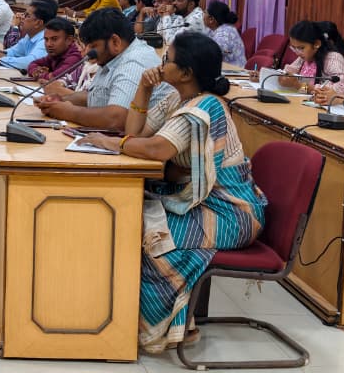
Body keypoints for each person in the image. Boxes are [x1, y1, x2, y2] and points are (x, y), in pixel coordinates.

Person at [77, 32, 266, 353]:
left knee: (146, 234)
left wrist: (109, 143)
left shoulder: (205, 106)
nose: (161, 65)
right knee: (131, 219)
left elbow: (156, 149)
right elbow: (134, 133)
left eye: (168, 60)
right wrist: (143, 87)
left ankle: (160, 325)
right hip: (201, 202)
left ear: (186, 73)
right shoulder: (176, 99)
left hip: (232, 212)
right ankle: (138, 318)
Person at [37, 9, 171, 128]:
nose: (87, 52)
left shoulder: (134, 62)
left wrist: (68, 112)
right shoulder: (112, 56)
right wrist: (60, 101)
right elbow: (97, 96)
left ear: (115, 42)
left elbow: (117, 118)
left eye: (93, 46)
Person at [259, 20, 344, 96]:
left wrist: (297, 85)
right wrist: (267, 77)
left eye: (301, 48)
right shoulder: (304, 57)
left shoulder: (334, 59)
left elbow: (339, 93)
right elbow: (289, 74)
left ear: (316, 44)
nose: (297, 52)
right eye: (294, 48)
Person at [0, 0, 55, 71]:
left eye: (27, 16)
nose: (22, 17)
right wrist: (3, 53)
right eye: (24, 14)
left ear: (38, 23)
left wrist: (2, 59)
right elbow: (15, 51)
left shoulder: (46, 40)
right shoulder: (30, 35)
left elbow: (30, 62)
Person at [27, 17, 85, 85]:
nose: (49, 44)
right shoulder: (56, 54)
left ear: (69, 40)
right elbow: (32, 64)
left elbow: (54, 78)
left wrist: (39, 74)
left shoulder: (75, 57)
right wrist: (37, 71)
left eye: (54, 39)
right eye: (46, 39)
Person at [204, 0, 246, 67]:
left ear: (211, 19)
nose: (203, 15)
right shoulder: (214, 29)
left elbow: (211, 55)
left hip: (234, 71)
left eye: (205, 12)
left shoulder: (224, 33)